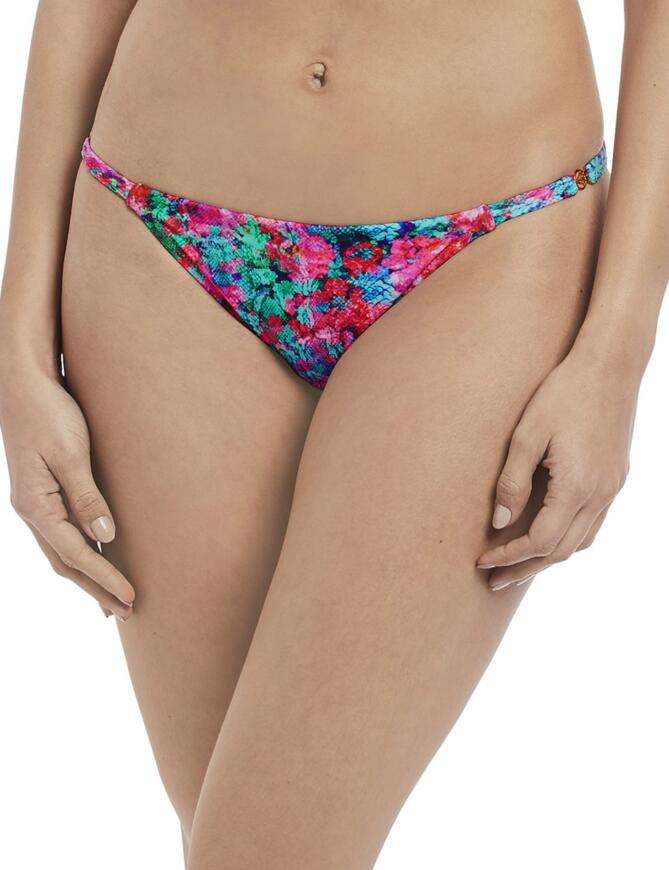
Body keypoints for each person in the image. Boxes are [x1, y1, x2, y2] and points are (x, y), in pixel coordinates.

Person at [0, 2, 666, 867]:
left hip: (484, 243)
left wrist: (615, 352)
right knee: (230, 832)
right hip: (160, 233)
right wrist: (17, 345)